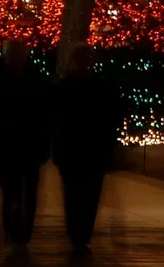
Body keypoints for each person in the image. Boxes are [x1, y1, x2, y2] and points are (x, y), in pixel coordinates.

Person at [0, 41, 48, 246]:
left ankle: (20, 229)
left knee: (23, 190)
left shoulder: (27, 77)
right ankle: (16, 227)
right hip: (8, 142)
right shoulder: (25, 77)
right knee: (12, 189)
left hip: (24, 142)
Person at [51, 46, 123, 254]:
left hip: (78, 148)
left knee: (77, 194)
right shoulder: (99, 86)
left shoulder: (66, 85)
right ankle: (81, 233)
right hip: (88, 148)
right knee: (86, 194)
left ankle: (78, 233)